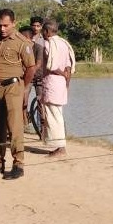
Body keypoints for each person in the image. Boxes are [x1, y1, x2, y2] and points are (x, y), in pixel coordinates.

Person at [0, 8, 36, 180]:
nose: (2, 29)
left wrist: (23, 87)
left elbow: (31, 68)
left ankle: (18, 164)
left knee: (15, 127)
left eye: (6, 25)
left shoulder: (22, 42)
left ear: (14, 23)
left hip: (13, 88)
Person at [41, 18, 75, 158]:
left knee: (54, 115)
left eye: (43, 31)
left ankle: (60, 147)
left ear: (48, 31)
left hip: (53, 82)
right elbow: (68, 65)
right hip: (61, 83)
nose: (42, 34)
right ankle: (58, 145)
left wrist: (61, 74)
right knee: (56, 113)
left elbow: (52, 66)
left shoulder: (49, 44)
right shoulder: (64, 43)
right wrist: (66, 79)